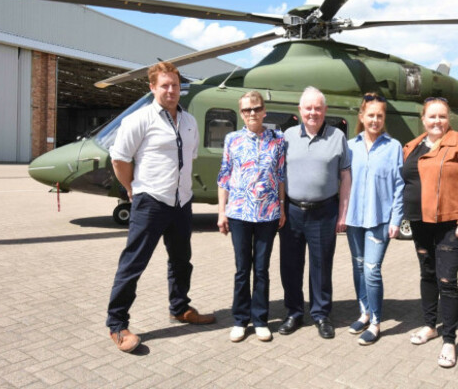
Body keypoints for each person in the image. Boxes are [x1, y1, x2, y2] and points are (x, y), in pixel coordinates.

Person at [106, 62, 215, 353]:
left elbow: (189, 157)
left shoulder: (190, 121)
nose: (170, 90)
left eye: (175, 85)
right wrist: (131, 189)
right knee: (133, 264)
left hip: (181, 202)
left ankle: (180, 308)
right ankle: (117, 324)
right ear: (152, 88)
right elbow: (119, 159)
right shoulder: (139, 120)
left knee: (182, 260)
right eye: (164, 85)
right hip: (150, 202)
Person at [402, 97, 458, 367]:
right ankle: (430, 326)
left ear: (448, 118)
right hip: (419, 221)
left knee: (447, 280)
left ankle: (449, 340)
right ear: (423, 119)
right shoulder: (413, 146)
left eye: (442, 116)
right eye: (432, 116)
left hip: (451, 224)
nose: (437, 121)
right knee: (427, 274)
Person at [278, 86, 351, 339]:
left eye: (318, 108)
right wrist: (279, 207)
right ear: (300, 110)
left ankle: (321, 314)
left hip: (324, 212)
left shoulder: (337, 137)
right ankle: (294, 313)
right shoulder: (286, 135)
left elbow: (345, 175)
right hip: (292, 211)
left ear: (325, 111)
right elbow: (279, 175)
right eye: (308, 108)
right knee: (290, 265)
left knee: (321, 266)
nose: (313, 113)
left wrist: (343, 214)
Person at [217, 91, 286, 343]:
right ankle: (239, 320)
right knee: (242, 269)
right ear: (241, 114)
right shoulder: (232, 140)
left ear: (264, 110)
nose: (252, 113)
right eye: (247, 110)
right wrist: (221, 211)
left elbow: (280, 176)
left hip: (267, 214)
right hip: (239, 213)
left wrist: (281, 206)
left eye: (256, 108)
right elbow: (224, 176)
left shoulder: (277, 140)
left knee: (262, 269)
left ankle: (260, 320)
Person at [345, 93, 404, 346]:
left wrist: (396, 219)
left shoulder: (394, 147)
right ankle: (364, 313)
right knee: (358, 268)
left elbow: (400, 186)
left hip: (380, 219)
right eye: (371, 115)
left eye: (380, 116)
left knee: (371, 271)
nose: (375, 120)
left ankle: (377, 322)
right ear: (361, 116)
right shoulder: (350, 146)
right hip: (354, 219)